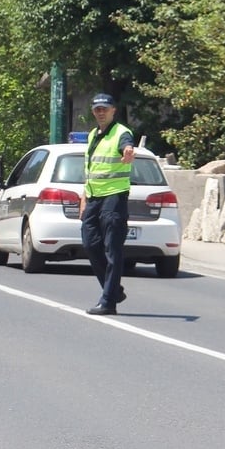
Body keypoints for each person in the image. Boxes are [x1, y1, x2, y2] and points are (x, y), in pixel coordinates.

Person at [80, 93, 135, 316]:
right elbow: (91, 170)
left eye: (105, 108)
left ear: (113, 110)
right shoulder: (94, 134)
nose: (100, 112)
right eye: (97, 109)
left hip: (114, 197)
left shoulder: (122, 133)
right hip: (93, 197)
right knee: (90, 243)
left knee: (112, 249)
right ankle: (115, 290)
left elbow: (127, 147)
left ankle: (108, 302)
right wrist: (84, 197)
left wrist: (128, 152)